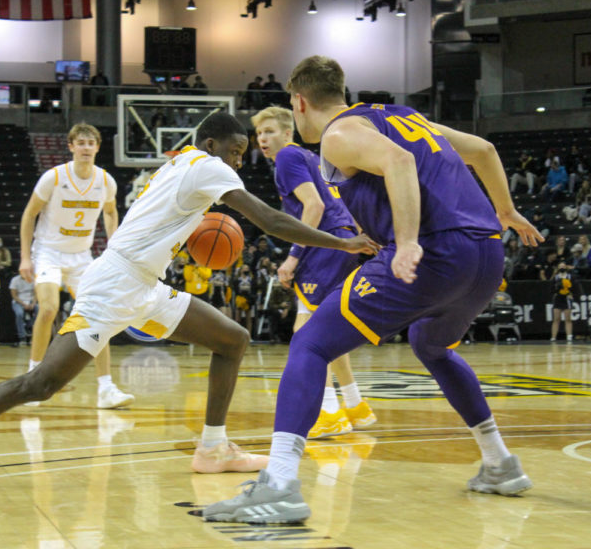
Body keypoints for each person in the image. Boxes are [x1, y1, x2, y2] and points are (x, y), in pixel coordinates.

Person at [0, 111, 377, 491]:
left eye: (245, 153)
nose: (241, 160)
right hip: (115, 283)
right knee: (41, 384)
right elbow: (269, 220)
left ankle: (211, 449)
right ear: (212, 145)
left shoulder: (186, 161)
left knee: (232, 339)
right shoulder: (207, 166)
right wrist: (342, 243)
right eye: (237, 150)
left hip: (145, 283)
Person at [205, 56, 541, 524]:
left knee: (310, 343)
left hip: (433, 252)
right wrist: (505, 211)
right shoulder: (405, 116)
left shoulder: (339, 135)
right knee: (432, 345)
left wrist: (404, 243)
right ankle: (500, 463)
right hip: (485, 254)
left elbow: (398, 162)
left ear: (299, 102)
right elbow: (482, 149)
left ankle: (278, 485)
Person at [253, 105, 376, 438]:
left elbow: (315, 206)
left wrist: (292, 256)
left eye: (270, 131)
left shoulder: (288, 160)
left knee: (307, 333)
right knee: (327, 329)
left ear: (287, 132)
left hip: (325, 243)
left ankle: (328, 412)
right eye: (260, 133)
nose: (263, 139)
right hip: (341, 237)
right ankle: (355, 407)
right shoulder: (307, 156)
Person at [17, 122, 132, 409]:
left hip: (81, 257)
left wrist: (113, 248)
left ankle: (106, 389)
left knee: (99, 317)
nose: (85, 148)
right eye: (80, 143)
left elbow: (110, 212)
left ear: (97, 147)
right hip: (48, 252)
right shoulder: (53, 178)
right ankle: (33, 379)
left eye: (90, 143)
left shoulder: (105, 181)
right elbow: (29, 215)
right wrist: (25, 257)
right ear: (71, 147)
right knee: (48, 308)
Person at [550, 261, 576, 343]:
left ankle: (569, 336)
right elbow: (551, 288)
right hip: (558, 298)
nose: (562, 268)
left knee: (567, 318)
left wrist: (571, 294)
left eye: (563, 266)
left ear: (566, 267)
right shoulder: (556, 277)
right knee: (556, 319)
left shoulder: (570, 276)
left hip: (566, 298)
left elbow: (574, 287)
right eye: (560, 266)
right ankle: (553, 337)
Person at [9, 272, 37, 346]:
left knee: (39, 310)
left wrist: (33, 304)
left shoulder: (34, 279)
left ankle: (34, 334)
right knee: (19, 314)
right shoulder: (15, 280)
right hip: (18, 302)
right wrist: (24, 304)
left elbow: (36, 294)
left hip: (31, 301)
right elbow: (14, 295)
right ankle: (22, 336)